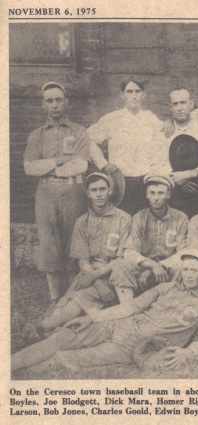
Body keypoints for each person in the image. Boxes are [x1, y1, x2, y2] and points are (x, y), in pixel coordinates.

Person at [12, 250, 198, 373]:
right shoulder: (165, 288)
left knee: (66, 358)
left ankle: (21, 376)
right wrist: (92, 318)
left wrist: (186, 353)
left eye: (194, 270)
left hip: (134, 344)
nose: (188, 275)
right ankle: (9, 366)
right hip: (118, 325)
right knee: (62, 338)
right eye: (185, 269)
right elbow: (131, 306)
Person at [13, 172, 132, 341]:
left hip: (113, 275)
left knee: (78, 301)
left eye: (102, 189)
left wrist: (96, 279)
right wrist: (95, 282)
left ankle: (41, 330)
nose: (98, 194)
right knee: (65, 300)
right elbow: (83, 260)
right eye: (94, 190)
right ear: (88, 193)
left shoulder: (124, 219)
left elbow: (122, 260)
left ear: (110, 191)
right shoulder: (82, 222)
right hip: (90, 274)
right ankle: (41, 332)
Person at [23, 81, 90, 307]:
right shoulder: (36, 135)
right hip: (46, 193)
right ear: (43, 105)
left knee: (73, 242)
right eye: (50, 101)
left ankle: (70, 300)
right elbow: (29, 168)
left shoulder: (78, 131)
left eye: (58, 100)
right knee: (50, 244)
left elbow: (81, 164)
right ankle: (54, 300)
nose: (54, 105)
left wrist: (47, 165)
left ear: (66, 102)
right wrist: (60, 160)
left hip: (73, 191)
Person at [88, 77, 163, 215]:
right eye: (129, 92)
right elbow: (87, 139)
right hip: (121, 183)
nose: (134, 96)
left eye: (137, 91)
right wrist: (103, 164)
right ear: (122, 95)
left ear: (143, 94)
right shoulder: (112, 119)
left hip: (145, 182)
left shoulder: (150, 118)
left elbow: (164, 140)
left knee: (144, 222)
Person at [111, 174, 188, 303]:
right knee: (120, 265)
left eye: (161, 193)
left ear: (168, 195)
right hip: (144, 266)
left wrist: (160, 265)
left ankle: (170, 304)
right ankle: (128, 307)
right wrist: (151, 265)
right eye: (152, 193)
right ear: (146, 195)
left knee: (183, 264)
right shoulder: (139, 217)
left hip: (169, 269)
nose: (156, 198)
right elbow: (130, 251)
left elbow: (183, 253)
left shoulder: (180, 218)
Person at [150, 88, 198, 218]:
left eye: (183, 103)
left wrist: (187, 174)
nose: (179, 108)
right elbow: (155, 165)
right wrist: (175, 178)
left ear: (191, 104)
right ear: (170, 107)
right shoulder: (162, 134)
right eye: (175, 104)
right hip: (172, 193)